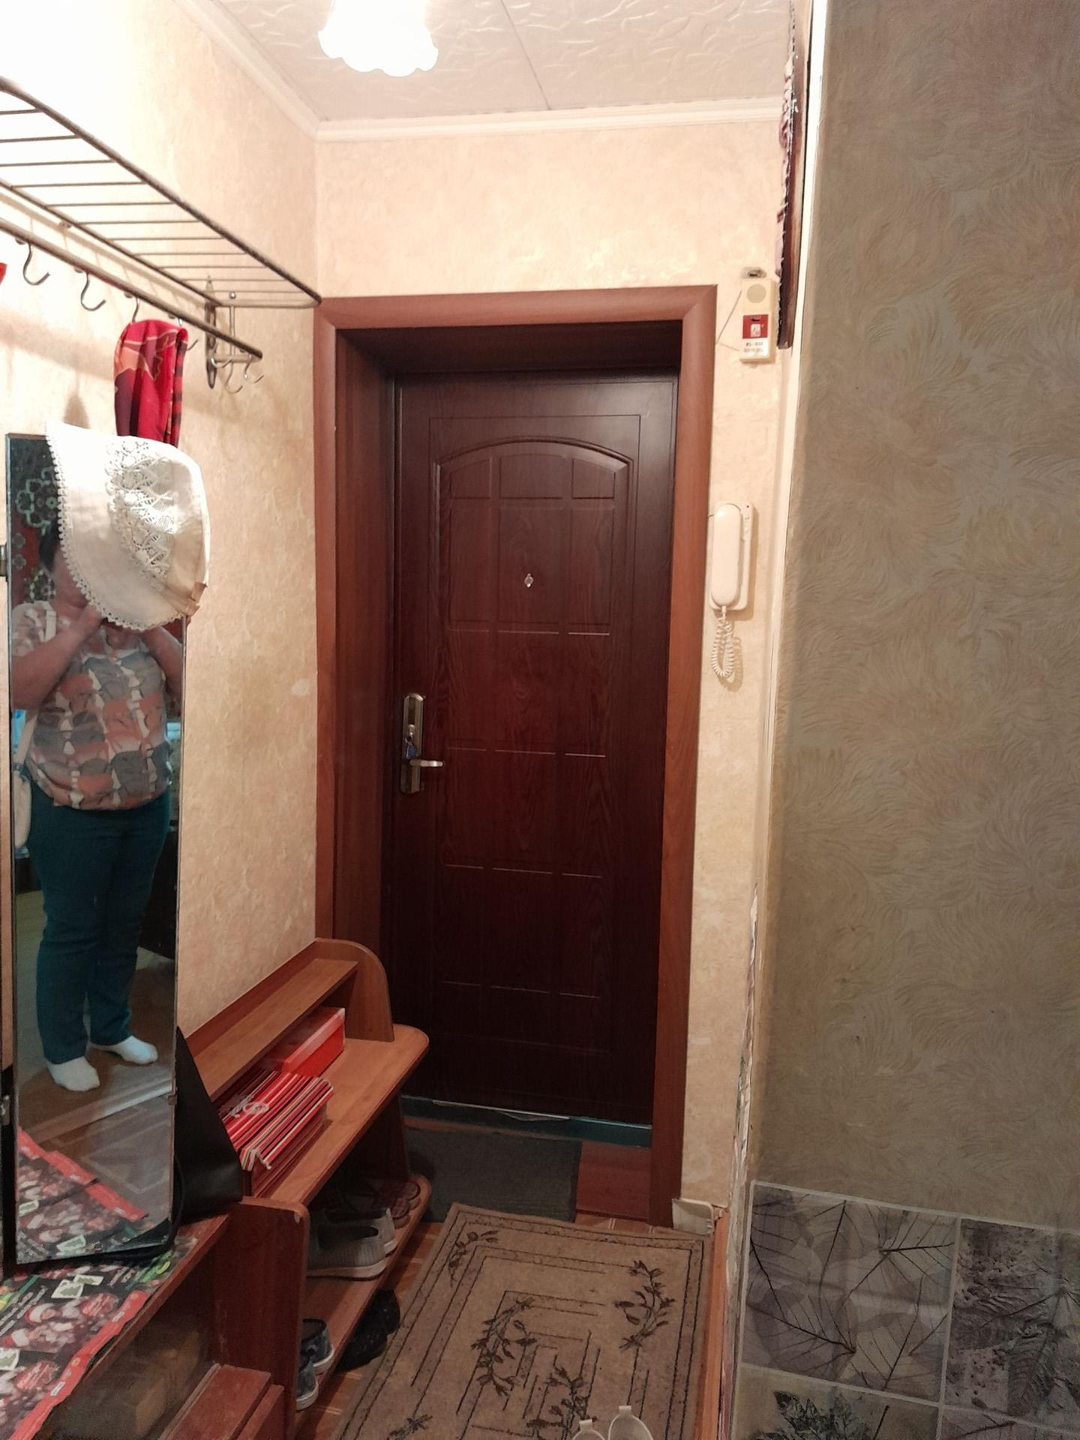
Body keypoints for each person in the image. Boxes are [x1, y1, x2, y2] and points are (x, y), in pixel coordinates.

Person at [11, 520, 183, 1094]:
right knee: (73, 929)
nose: (91, 570)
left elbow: (193, 685)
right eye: (77, 558)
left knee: (124, 925)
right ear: (51, 564)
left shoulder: (140, 626)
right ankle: (63, 1046)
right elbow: (18, 692)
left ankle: (111, 1027)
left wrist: (148, 625)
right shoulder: (33, 619)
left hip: (146, 806)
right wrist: (83, 624)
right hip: (69, 810)